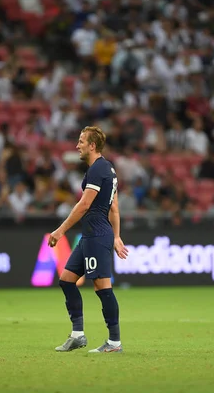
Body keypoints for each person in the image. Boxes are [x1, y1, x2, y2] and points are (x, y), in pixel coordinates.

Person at [49, 126, 129, 353]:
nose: (77, 145)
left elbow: (84, 204)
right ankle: (77, 335)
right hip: (92, 235)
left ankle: (114, 342)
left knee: (102, 288)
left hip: (96, 235)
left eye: (81, 141)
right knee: (66, 280)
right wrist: (116, 236)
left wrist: (60, 231)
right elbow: (114, 206)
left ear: (92, 145)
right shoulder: (107, 169)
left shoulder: (97, 169)